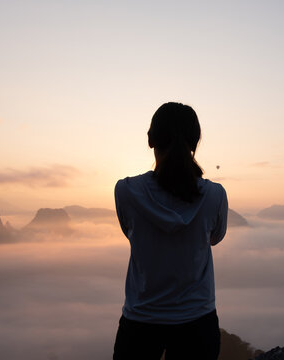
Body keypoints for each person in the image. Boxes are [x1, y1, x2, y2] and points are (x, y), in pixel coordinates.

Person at [113, 102, 228, 360]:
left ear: (150, 139)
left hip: (140, 322)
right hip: (197, 321)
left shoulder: (126, 192)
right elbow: (214, 238)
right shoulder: (215, 196)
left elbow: (130, 232)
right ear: (195, 141)